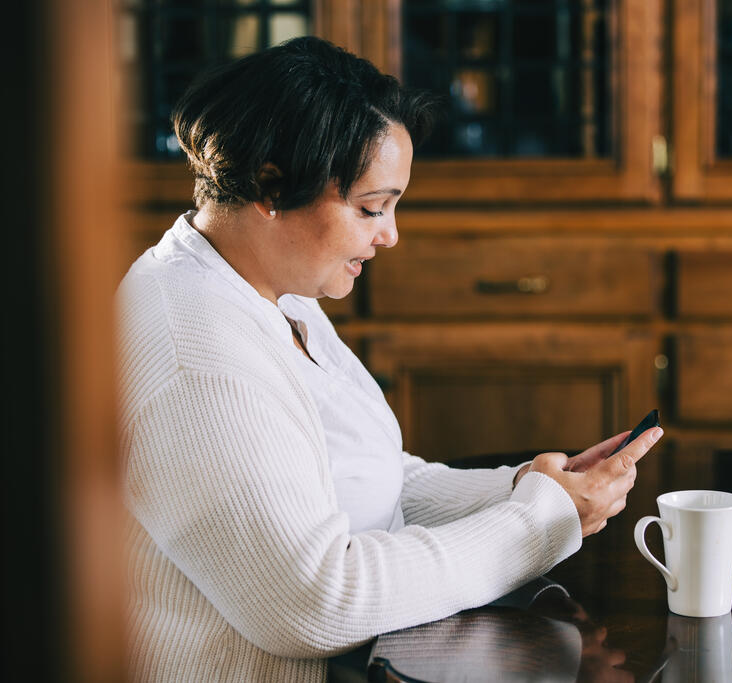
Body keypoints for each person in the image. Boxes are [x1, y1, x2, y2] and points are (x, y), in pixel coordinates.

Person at [118, 36, 662, 682]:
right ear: (271, 185)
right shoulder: (196, 352)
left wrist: (528, 487)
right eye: (372, 207)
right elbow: (316, 599)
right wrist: (538, 522)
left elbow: (371, 479)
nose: (390, 234)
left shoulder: (268, 289)